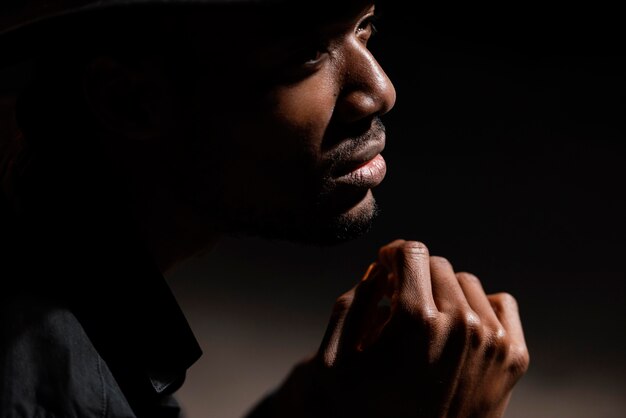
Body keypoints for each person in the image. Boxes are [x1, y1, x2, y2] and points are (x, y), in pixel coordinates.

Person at [0, 0, 530, 417]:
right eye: (305, 55)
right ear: (129, 101)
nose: (378, 90)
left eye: (363, 26)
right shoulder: (46, 387)